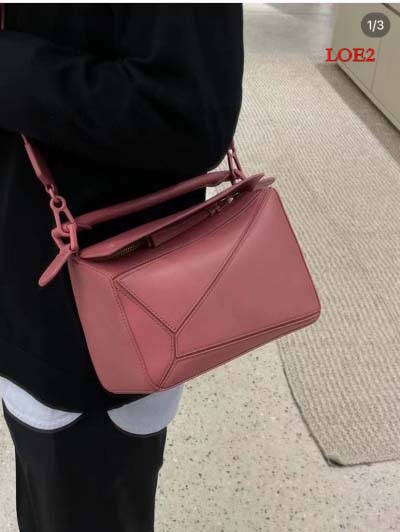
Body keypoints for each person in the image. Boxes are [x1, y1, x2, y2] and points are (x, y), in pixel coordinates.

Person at [0, 4, 244, 532]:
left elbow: (190, 112)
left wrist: (10, 64)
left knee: (81, 493)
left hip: (92, 328)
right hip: (31, 286)